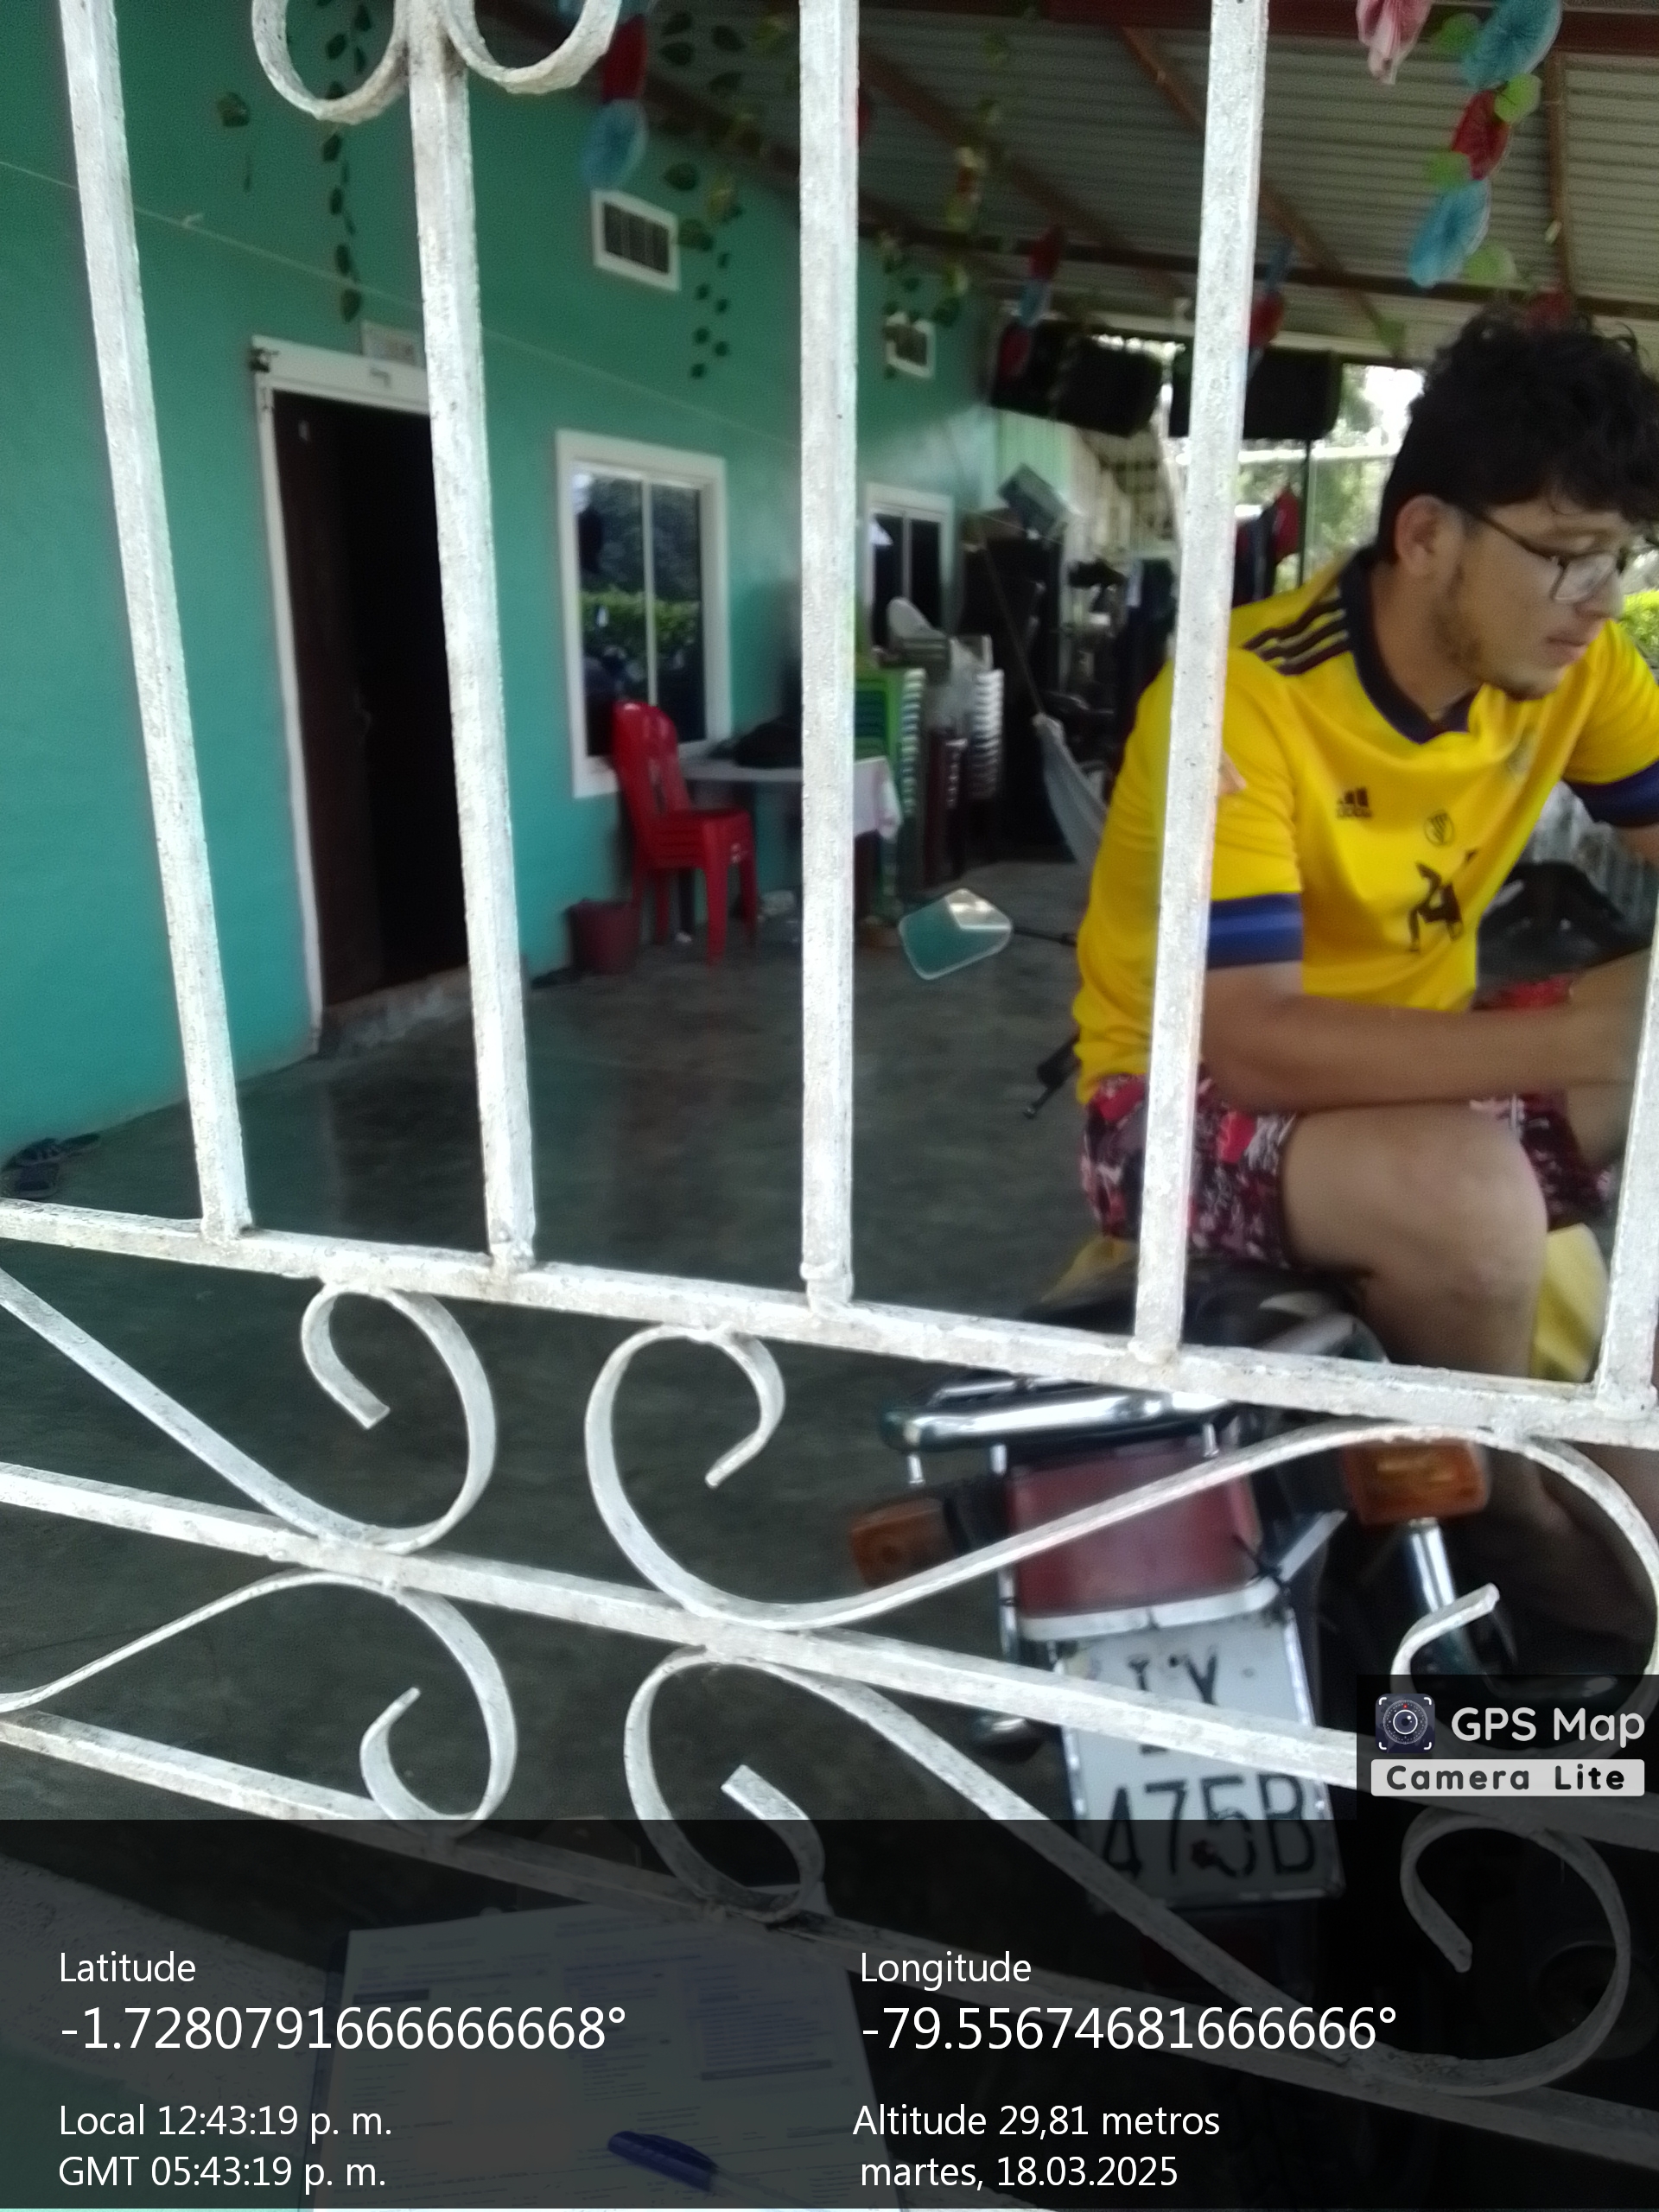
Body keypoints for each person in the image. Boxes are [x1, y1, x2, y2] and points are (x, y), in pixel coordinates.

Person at [1071, 308, 1659, 1640]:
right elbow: (1254, 1046)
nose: (1599, 599)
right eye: (1564, 554)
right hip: (1182, 1099)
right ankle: (1506, 1504)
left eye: (1619, 556)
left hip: (1417, 1092)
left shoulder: (1577, 673)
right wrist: (1583, 1040)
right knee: (1473, 1193)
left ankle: (1612, 1418)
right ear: (1427, 534)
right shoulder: (1247, 696)